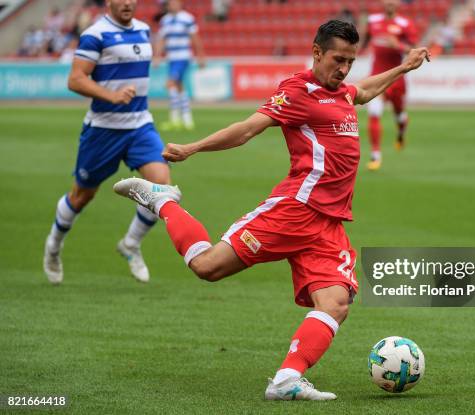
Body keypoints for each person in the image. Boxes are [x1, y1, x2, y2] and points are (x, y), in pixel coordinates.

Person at [114, 20, 430, 400]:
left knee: (336, 302)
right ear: (317, 53)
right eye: (337, 59)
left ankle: (286, 380)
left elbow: (362, 91)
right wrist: (192, 148)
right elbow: (248, 129)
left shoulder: (342, 92)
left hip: (329, 224)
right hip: (294, 210)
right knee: (207, 267)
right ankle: (162, 199)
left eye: (350, 60)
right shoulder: (297, 92)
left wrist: (403, 67)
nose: (344, 68)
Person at [43, 0, 173, 285]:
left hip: (140, 124)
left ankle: (131, 244)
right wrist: (111, 95)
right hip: (103, 129)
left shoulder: (143, 30)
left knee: (162, 189)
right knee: (81, 196)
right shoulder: (96, 34)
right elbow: (75, 79)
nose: (127, 2)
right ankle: (53, 246)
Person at [360, 0, 418, 171]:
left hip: (396, 77)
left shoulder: (405, 24)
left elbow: (415, 51)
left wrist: (398, 46)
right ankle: (375, 155)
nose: (390, 3)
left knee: (399, 115)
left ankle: (401, 131)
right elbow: (364, 42)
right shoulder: (372, 21)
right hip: (377, 76)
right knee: (374, 111)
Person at [155, 0, 205, 131]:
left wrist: (200, 56)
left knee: (171, 84)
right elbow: (162, 39)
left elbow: (195, 38)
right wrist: (157, 56)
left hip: (182, 57)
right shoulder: (165, 20)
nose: (171, 5)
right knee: (179, 87)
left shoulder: (187, 18)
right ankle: (187, 119)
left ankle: (175, 119)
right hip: (171, 58)